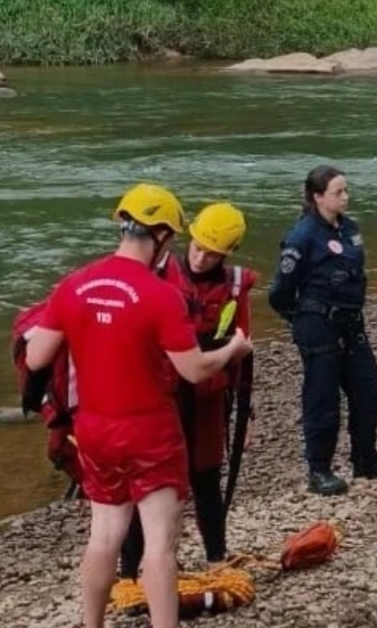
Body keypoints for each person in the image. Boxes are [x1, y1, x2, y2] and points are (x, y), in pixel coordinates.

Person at [25, 184, 253, 628]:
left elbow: (36, 358)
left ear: (123, 223)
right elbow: (193, 370)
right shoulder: (160, 296)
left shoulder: (74, 284)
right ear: (164, 236)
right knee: (160, 544)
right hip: (150, 432)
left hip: (94, 430)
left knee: (104, 535)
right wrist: (232, 352)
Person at [119, 202, 257, 578]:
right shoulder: (155, 274)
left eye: (212, 253)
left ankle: (216, 557)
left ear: (226, 254)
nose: (200, 257)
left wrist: (248, 414)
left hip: (207, 399)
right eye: (197, 247)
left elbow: (243, 350)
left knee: (206, 479)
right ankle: (130, 570)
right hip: (159, 399)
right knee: (147, 486)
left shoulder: (233, 287)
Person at [269, 165, 377, 497]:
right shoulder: (302, 236)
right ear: (317, 197)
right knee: (322, 398)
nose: (346, 197)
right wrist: (301, 320)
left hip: (351, 322)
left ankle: (366, 458)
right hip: (319, 325)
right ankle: (319, 469)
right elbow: (280, 292)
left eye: (346, 191)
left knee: (367, 390)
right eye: (338, 192)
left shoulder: (349, 229)